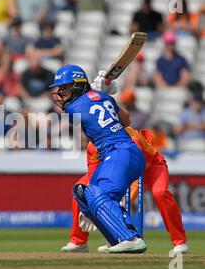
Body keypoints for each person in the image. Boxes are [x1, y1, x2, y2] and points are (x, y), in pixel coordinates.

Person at [50, 65, 147, 253]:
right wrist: (104, 96)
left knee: (99, 195)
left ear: (78, 86)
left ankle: (131, 238)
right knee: (82, 194)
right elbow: (126, 120)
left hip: (119, 152)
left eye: (65, 87)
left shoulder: (72, 107)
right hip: (123, 154)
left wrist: (96, 92)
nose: (61, 93)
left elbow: (82, 108)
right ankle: (116, 239)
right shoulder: (104, 98)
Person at [61, 126, 188, 255]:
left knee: (160, 193)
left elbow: (133, 177)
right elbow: (93, 177)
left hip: (151, 165)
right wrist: (88, 206)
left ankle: (179, 241)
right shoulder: (92, 147)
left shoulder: (129, 137)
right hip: (115, 169)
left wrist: (114, 203)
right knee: (81, 190)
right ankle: (79, 242)